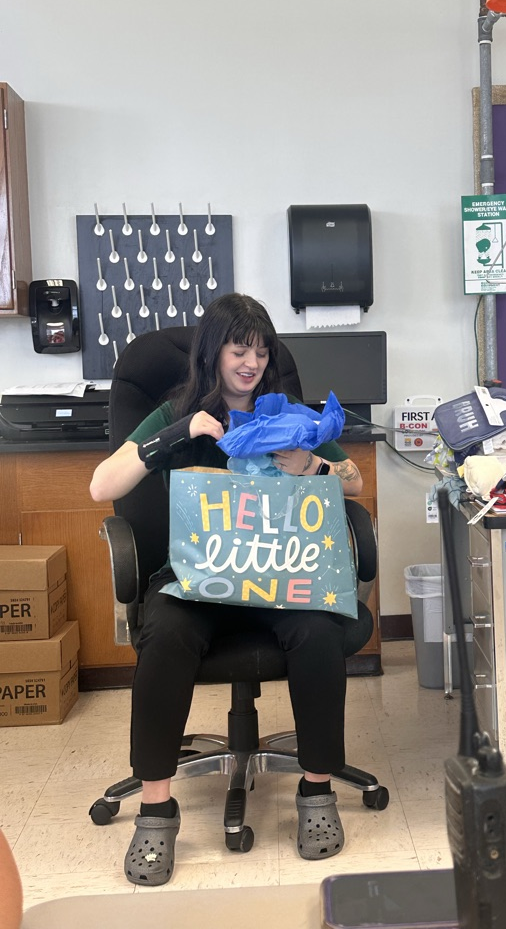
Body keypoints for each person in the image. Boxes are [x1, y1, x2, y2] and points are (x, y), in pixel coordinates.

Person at [89, 293, 364, 886]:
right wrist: (178, 434)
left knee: (319, 629)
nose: (251, 363)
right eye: (240, 350)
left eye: (262, 352)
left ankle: (317, 793)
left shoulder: (287, 412)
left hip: (278, 573)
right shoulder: (176, 412)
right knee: (163, 633)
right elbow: (101, 483)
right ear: (214, 352)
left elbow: (355, 478)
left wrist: (313, 467)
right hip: (198, 578)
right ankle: (157, 809)